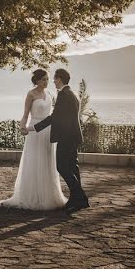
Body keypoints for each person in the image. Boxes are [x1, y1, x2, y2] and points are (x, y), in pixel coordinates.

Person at [0, 69, 68, 210]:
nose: (47, 81)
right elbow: (25, 114)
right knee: (34, 161)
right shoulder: (31, 94)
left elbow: (53, 115)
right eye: (44, 79)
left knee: (47, 161)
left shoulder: (50, 94)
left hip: (47, 131)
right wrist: (23, 127)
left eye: (47, 79)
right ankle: (32, 195)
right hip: (34, 130)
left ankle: (49, 196)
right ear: (37, 81)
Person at [27, 68, 90, 212]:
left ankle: (81, 197)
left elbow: (54, 117)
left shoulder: (63, 95)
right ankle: (76, 200)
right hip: (74, 136)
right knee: (73, 167)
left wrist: (33, 128)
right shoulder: (73, 94)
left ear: (59, 79)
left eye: (54, 79)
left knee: (61, 166)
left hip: (66, 137)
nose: (53, 81)